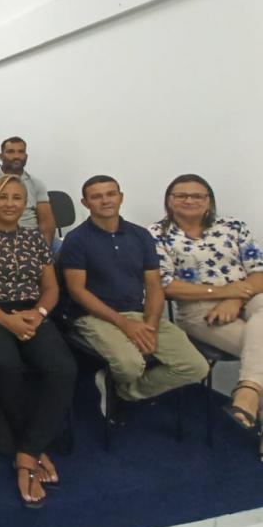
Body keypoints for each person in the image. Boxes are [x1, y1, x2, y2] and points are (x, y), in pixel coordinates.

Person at [0, 174, 76, 509]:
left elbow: (51, 288)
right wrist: (6, 319)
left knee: (62, 369)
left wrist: (38, 314)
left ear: (26, 205)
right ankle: (32, 450)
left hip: (30, 311)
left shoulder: (36, 240)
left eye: (17, 199)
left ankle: (28, 449)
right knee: (4, 364)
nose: (9, 204)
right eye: (3, 198)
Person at [60, 175, 207, 415]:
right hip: (95, 315)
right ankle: (123, 379)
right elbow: (77, 291)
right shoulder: (77, 240)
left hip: (139, 312)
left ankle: (124, 392)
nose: (105, 201)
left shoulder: (141, 235)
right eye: (96, 197)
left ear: (121, 197)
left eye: (110, 194)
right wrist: (124, 324)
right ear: (85, 203)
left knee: (196, 367)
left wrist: (149, 326)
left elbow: (154, 285)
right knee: (129, 366)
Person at [149, 174, 263, 433]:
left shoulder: (233, 226)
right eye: (181, 195)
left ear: (209, 201)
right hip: (199, 310)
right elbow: (164, 284)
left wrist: (233, 298)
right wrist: (222, 292)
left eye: (198, 195)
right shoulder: (156, 234)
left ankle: (248, 390)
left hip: (247, 297)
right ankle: (249, 394)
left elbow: (259, 271)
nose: (189, 200)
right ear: (169, 201)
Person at [0, 137, 55, 246]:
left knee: (64, 250)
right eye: (10, 152)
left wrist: (43, 250)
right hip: (3, 239)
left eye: (21, 152)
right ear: (1, 156)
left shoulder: (37, 183)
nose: (16, 156)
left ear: (26, 156)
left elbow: (46, 223)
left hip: (35, 238)